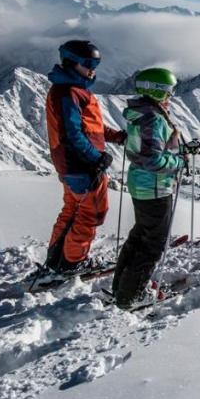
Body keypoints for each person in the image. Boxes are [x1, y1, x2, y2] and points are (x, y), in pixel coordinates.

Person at [111, 67, 200, 308]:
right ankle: (131, 296)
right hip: (154, 188)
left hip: (143, 184)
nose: (170, 95)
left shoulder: (143, 113)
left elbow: (151, 151)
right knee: (153, 244)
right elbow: (152, 160)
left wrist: (181, 150)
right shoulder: (152, 118)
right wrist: (180, 161)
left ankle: (121, 288)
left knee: (140, 236)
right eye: (168, 91)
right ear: (155, 91)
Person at [43, 39, 126, 276]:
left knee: (72, 210)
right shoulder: (69, 92)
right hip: (82, 165)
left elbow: (90, 128)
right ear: (71, 63)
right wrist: (95, 158)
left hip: (72, 164)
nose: (93, 69)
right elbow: (73, 133)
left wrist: (117, 136)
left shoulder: (71, 91)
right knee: (91, 213)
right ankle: (71, 263)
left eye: (95, 63)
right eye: (88, 63)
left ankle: (56, 261)